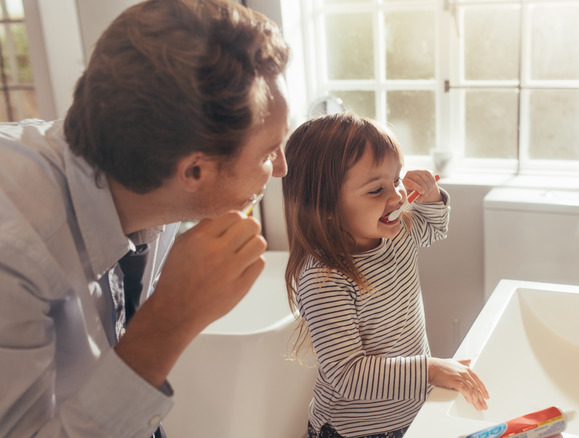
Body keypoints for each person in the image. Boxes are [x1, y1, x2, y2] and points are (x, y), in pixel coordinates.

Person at [0, 0, 289, 436]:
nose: (282, 167)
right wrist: (171, 319)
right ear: (194, 171)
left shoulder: (150, 175)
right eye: (269, 152)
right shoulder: (15, 250)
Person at [282, 113, 489, 438]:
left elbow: (434, 227)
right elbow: (347, 374)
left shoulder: (399, 231)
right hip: (355, 429)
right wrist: (431, 370)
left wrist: (432, 195)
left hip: (409, 410)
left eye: (396, 179)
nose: (397, 197)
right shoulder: (325, 279)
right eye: (377, 190)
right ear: (326, 206)